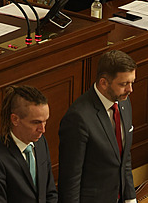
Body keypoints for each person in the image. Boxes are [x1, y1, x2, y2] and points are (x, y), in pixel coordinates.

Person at [58, 50, 137, 203]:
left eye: (132, 82)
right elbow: (70, 179)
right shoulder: (78, 118)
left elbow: (124, 157)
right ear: (103, 83)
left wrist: (130, 198)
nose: (130, 89)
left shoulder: (124, 102)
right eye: (123, 84)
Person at [0, 86, 58, 203]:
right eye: (36, 122)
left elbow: (50, 193)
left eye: (45, 121)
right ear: (15, 119)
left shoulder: (40, 142)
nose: (42, 129)